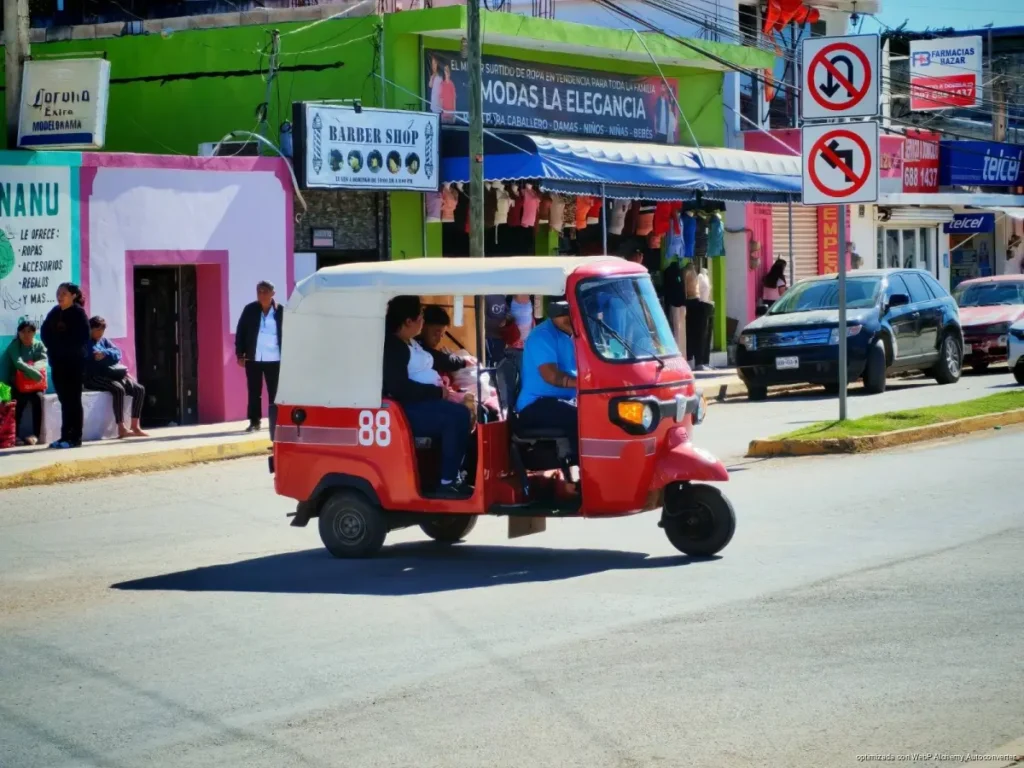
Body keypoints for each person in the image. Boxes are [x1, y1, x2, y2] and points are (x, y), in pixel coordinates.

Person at [383, 295, 471, 499]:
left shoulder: (411, 342)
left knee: (464, 413)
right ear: (408, 321)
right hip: (405, 409)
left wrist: (463, 362)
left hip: (424, 402)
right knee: (455, 417)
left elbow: (437, 359)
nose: (423, 322)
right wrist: (436, 392)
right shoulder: (394, 347)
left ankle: (456, 475)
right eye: (420, 317)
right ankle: (447, 482)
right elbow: (399, 388)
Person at [515, 300, 578, 459]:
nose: (568, 318)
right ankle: (586, 473)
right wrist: (584, 383)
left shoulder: (572, 333)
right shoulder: (542, 336)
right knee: (580, 419)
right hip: (535, 405)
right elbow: (551, 375)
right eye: (562, 314)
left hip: (562, 400)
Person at [40, 282, 90, 449]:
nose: (60, 296)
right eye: (58, 293)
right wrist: (54, 348)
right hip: (58, 363)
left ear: (73, 296)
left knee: (73, 400)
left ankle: (75, 438)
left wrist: (65, 348)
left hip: (74, 364)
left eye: (64, 293)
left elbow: (82, 338)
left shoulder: (78, 313)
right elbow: (45, 332)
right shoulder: (55, 312)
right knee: (64, 400)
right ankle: (64, 436)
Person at [83, 316, 148, 439]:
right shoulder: (85, 342)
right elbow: (94, 359)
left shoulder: (104, 341)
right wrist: (106, 357)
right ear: (91, 329)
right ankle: (121, 428)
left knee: (139, 389)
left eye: (102, 331)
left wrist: (106, 354)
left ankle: (135, 426)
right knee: (118, 389)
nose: (100, 334)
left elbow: (117, 353)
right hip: (94, 376)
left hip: (111, 374)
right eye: (98, 331)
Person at [235, 280, 283, 437]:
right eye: (259, 291)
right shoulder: (250, 310)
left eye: (265, 291)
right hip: (254, 358)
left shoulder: (281, 311)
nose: (261, 294)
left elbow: (289, 334)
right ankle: (254, 422)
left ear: (272, 293)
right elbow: (241, 332)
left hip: (274, 359)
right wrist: (240, 354)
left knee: (274, 393)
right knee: (254, 391)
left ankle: (276, 423)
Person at [5, 321, 47, 445]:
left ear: (34, 332)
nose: (26, 335)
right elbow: (18, 363)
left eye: (29, 331)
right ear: (18, 333)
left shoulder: (38, 345)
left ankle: (35, 435)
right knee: (16, 401)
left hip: (34, 384)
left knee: (38, 399)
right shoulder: (14, 345)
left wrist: (32, 369)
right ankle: (14, 436)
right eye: (23, 331)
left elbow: (43, 361)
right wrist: (32, 371)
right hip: (15, 383)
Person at [417, 305, 471, 376]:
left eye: (442, 335)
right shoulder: (414, 346)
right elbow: (435, 358)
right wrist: (463, 361)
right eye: (436, 332)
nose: (439, 339)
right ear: (423, 325)